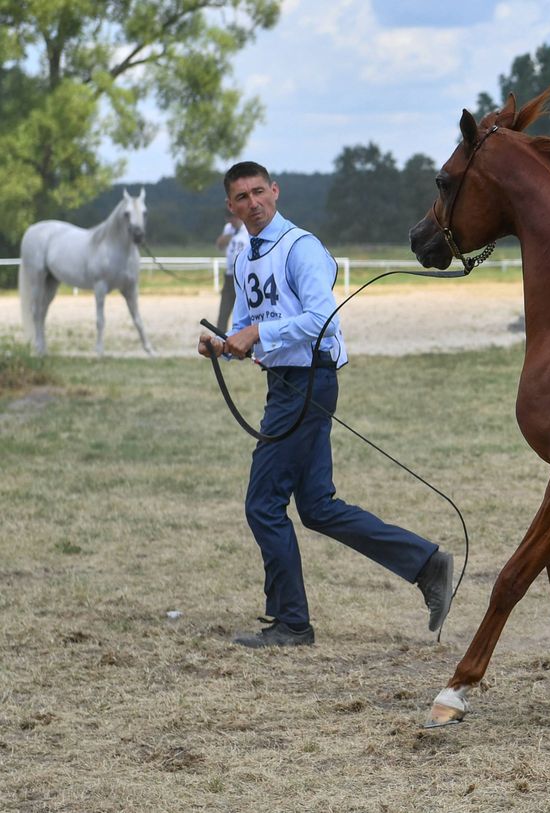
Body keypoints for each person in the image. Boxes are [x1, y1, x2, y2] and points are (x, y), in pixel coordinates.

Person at [197, 161, 453, 648]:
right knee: (316, 507)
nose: (253, 203)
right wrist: (227, 344)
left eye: (259, 192)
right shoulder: (245, 257)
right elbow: (254, 329)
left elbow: (323, 322)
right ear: (230, 207)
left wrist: (257, 333)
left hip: (309, 382)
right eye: (242, 197)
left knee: (263, 504)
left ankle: (292, 623)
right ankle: (427, 564)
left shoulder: (301, 248)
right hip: (286, 383)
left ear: (275, 191)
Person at [215, 213, 250, 333]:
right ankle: (219, 341)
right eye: (229, 218)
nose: (231, 221)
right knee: (223, 312)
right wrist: (228, 235)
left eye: (233, 218)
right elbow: (219, 245)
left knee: (243, 313)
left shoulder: (248, 228)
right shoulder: (228, 229)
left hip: (243, 276)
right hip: (230, 276)